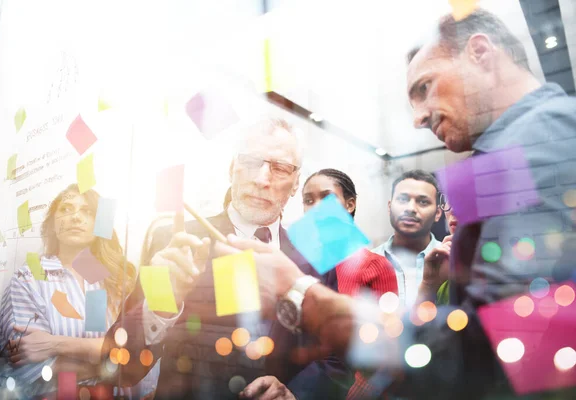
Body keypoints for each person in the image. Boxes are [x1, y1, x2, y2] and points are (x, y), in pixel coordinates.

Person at [194, 8, 576, 399]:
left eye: (424, 87)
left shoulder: (542, 139)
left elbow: (494, 352)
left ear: (481, 53)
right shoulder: (520, 147)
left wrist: (299, 294)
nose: (418, 118)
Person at [102, 118, 351, 399]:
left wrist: (295, 393)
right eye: (251, 161)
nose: (261, 179)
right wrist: (159, 309)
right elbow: (115, 365)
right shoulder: (177, 241)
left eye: (280, 168)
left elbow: (336, 358)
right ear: (233, 168)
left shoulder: (315, 258)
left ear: (295, 183)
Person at [0, 184, 138, 399]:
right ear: (52, 225)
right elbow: (32, 367)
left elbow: (133, 347)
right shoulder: (28, 279)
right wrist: (112, 365)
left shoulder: (113, 280)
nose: (75, 217)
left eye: (87, 211)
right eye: (66, 209)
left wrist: (54, 345)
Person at [301, 168, 398, 400]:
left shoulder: (375, 266)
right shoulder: (300, 265)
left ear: (350, 204)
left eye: (327, 198)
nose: (316, 207)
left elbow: (385, 350)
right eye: (308, 200)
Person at [372, 170, 442, 308]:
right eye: (403, 199)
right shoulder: (368, 262)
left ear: (437, 214)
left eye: (423, 202)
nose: (410, 208)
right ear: (389, 207)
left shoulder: (448, 261)